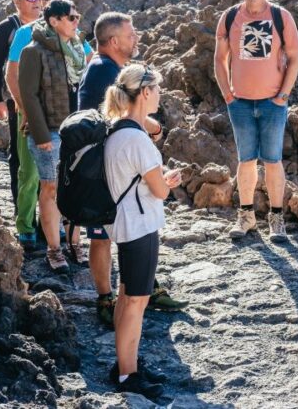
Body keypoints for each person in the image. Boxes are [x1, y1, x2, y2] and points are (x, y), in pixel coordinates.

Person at [77, 12, 188, 328]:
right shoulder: (103, 72)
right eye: (130, 34)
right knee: (101, 238)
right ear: (113, 41)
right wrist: (148, 128)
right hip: (103, 176)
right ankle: (108, 299)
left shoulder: (109, 69)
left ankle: (141, 288)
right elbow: (111, 116)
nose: (135, 38)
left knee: (112, 237)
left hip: (107, 170)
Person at [102, 64, 180, 398]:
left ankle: (125, 363)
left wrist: (159, 181)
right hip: (139, 225)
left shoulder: (117, 130)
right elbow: (159, 191)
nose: (160, 94)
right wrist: (168, 182)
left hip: (125, 222)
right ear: (144, 92)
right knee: (137, 300)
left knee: (126, 296)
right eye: (158, 89)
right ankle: (127, 375)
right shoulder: (138, 139)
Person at [213, 0, 298, 242]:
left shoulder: (280, 17)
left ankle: (276, 219)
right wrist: (228, 95)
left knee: (273, 160)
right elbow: (219, 59)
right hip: (239, 103)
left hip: (272, 103)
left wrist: (283, 96)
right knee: (246, 160)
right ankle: (247, 216)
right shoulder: (229, 18)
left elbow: (295, 57)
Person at [6, 0, 91, 249]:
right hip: (42, 124)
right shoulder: (28, 40)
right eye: (71, 15)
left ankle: (64, 236)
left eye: (76, 14)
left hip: (72, 128)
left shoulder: (77, 46)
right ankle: (28, 227)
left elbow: (87, 73)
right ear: (52, 15)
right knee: (33, 177)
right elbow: (16, 78)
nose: (76, 20)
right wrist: (29, 117)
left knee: (68, 185)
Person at [0, 0, 42, 210]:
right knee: (20, 154)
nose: (37, 1)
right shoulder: (7, 28)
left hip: (43, 100)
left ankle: (42, 206)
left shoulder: (46, 27)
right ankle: (21, 205)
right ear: (16, 0)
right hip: (15, 99)